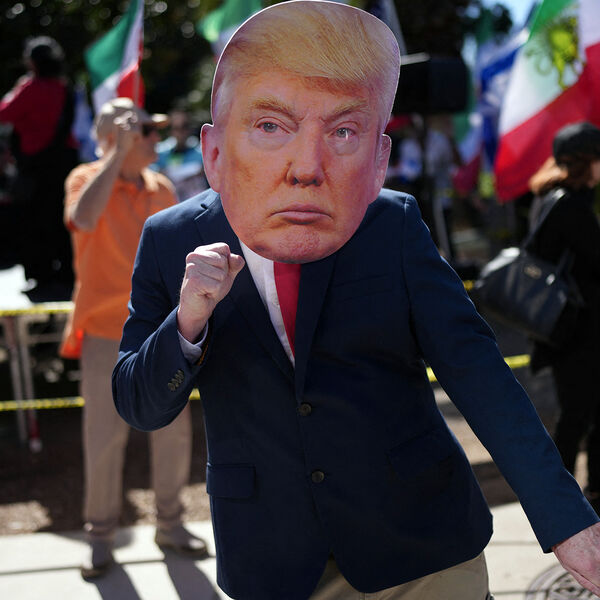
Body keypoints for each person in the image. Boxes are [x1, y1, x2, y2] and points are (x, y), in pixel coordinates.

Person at [113, 3, 600, 599]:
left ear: (378, 161)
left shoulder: (390, 225)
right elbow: (138, 405)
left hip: (422, 548)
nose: (306, 167)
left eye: (343, 132)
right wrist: (187, 322)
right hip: (276, 561)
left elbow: (480, 376)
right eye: (270, 126)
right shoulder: (170, 240)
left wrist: (567, 522)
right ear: (213, 151)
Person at [60, 97, 208, 579]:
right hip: (105, 331)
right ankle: (100, 535)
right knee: (104, 438)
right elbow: (83, 219)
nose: (153, 138)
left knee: (174, 431)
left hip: (160, 331)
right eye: (144, 130)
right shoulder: (84, 178)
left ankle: (171, 524)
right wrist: (115, 154)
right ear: (114, 137)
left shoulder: (160, 186)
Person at [527, 121, 600, 515]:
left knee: (583, 414)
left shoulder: (549, 198)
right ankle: (562, 506)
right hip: (578, 333)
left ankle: (576, 500)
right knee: (577, 417)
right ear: (586, 161)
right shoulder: (569, 206)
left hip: (565, 331)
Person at [0, 36, 79, 299]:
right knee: (63, 221)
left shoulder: (30, 87)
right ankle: (66, 276)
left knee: (34, 224)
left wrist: (17, 88)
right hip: (64, 165)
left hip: (36, 169)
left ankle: (42, 278)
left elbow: (4, 113)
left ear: (32, 62)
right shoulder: (65, 88)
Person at [153, 108, 208, 202]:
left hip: (196, 205)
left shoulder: (201, 152)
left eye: (184, 127)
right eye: (176, 128)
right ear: (170, 131)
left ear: (190, 129)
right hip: (168, 204)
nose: (181, 132)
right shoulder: (160, 152)